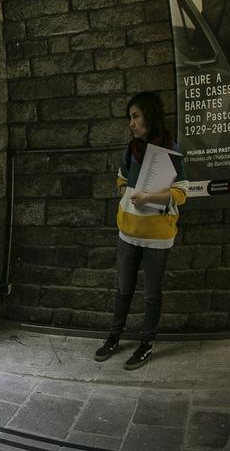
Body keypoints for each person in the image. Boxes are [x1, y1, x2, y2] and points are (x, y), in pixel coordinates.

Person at [94, 91, 188, 371]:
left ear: (150, 115)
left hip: (158, 236)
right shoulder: (131, 149)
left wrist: (149, 198)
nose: (131, 123)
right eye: (130, 117)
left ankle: (146, 344)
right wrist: (128, 193)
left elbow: (181, 193)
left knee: (151, 294)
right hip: (129, 231)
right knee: (123, 289)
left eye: (135, 116)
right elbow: (120, 179)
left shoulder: (171, 150)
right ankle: (114, 337)